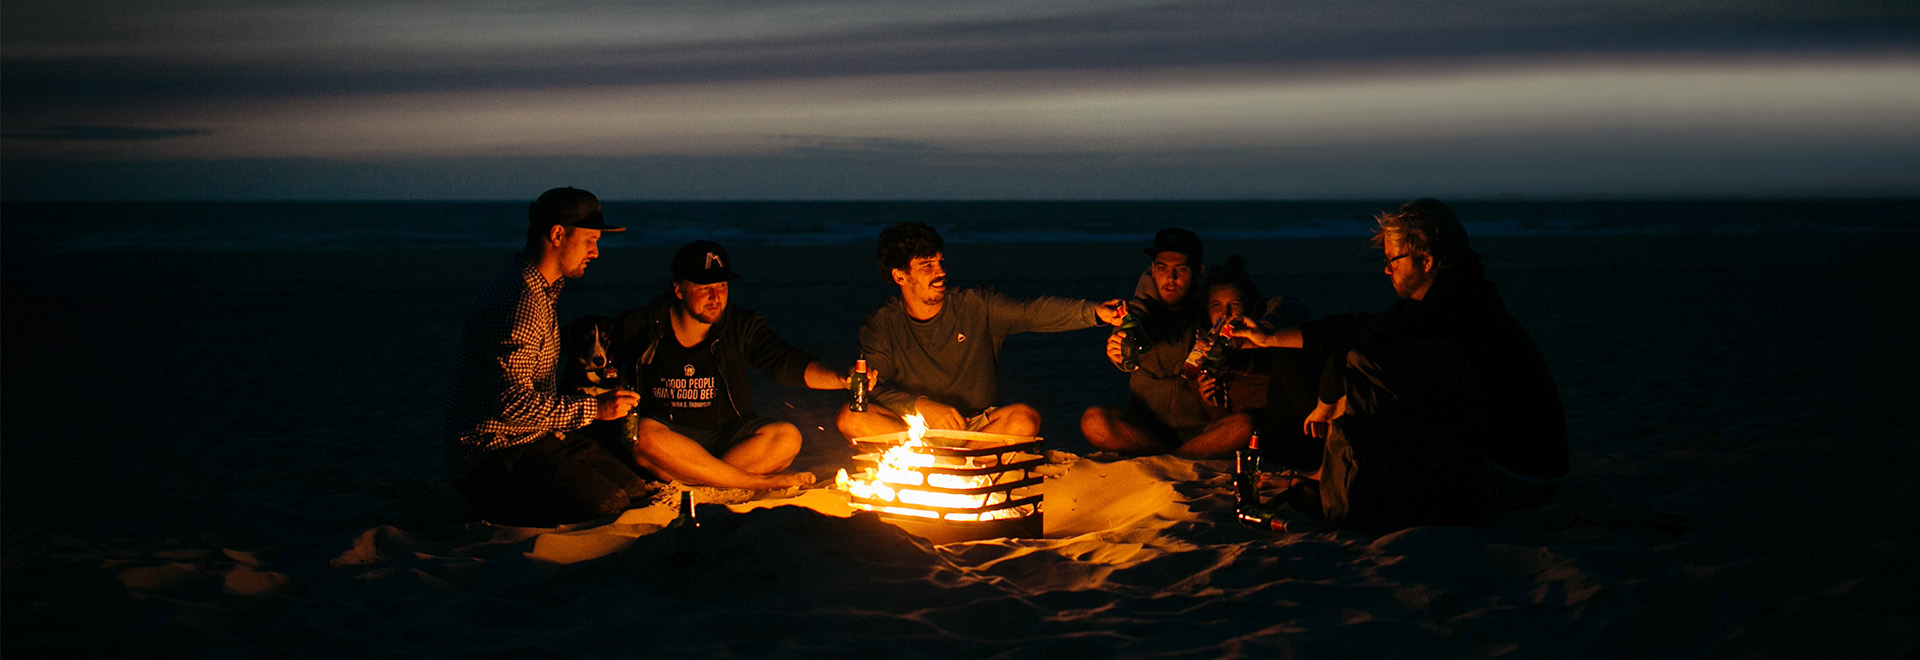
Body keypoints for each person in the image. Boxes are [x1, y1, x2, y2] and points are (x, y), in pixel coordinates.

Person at [1232, 198, 1568, 522]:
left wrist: (1327, 401)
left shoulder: (1459, 308)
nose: (1386, 269)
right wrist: (1269, 337)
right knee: (1303, 358)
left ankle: (1330, 476)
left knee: (1368, 369)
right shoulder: (1449, 297)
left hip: (1510, 476)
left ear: (1427, 260)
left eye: (1394, 259)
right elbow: (1358, 327)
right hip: (1514, 468)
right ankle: (1322, 468)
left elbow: (1366, 347)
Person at [443, 187, 646, 527]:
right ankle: (490, 509)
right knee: (607, 504)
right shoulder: (518, 302)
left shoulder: (541, 289)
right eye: (589, 241)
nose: (596, 252)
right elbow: (511, 404)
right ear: (557, 235)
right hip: (492, 451)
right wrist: (595, 409)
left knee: (635, 491)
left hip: (533, 435)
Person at [836, 222, 1127, 439]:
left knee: (1024, 419)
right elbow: (872, 388)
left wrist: (1094, 313)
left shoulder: (976, 306)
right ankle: (950, 465)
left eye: (941, 261)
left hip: (978, 428)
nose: (940, 272)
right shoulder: (882, 324)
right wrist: (922, 406)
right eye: (927, 265)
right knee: (851, 417)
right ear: (900, 276)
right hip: (915, 428)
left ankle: (954, 466)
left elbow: (1033, 312)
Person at [603, 240, 836, 490]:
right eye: (705, 287)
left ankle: (704, 478)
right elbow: (596, 365)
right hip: (668, 439)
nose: (716, 297)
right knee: (643, 434)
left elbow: (783, 360)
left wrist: (841, 378)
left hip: (728, 439)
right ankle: (750, 482)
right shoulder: (641, 326)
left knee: (787, 437)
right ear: (679, 290)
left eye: (722, 286)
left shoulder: (740, 326)